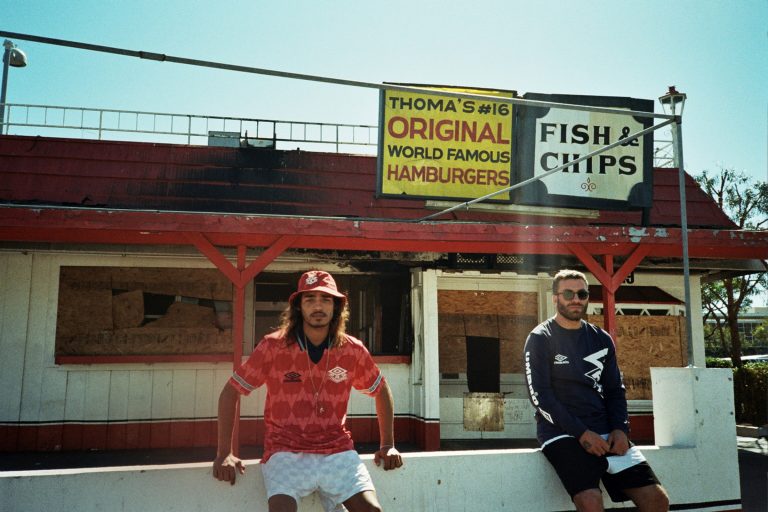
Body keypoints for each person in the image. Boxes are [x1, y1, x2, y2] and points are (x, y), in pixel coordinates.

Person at [213, 269, 403, 512]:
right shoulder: (273, 346)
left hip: (337, 449)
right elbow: (231, 392)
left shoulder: (352, 349)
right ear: (298, 306)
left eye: (326, 299)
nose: (318, 306)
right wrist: (224, 453)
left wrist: (388, 445)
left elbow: (381, 390)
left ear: (336, 307)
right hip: (285, 450)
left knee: (371, 509)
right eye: (310, 299)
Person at [523, 269, 669, 512]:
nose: (576, 299)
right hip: (562, 433)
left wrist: (620, 429)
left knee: (657, 500)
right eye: (568, 294)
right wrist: (581, 433)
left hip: (606, 431)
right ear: (555, 298)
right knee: (590, 502)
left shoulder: (601, 339)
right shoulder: (540, 338)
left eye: (582, 294)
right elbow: (540, 397)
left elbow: (615, 390)